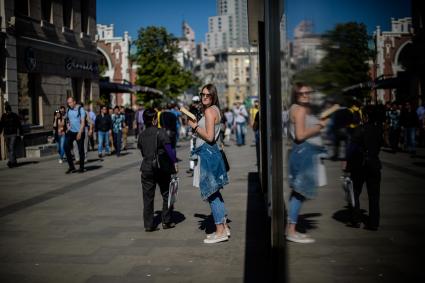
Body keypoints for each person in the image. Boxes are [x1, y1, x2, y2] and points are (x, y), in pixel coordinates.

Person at [188, 84, 230, 244]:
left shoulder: (209, 111)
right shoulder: (216, 110)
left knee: (211, 194)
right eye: (202, 94)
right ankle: (223, 227)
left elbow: (210, 136)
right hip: (212, 154)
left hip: (208, 155)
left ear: (213, 96)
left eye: (208, 95)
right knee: (215, 193)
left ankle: (220, 231)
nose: (204, 97)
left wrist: (195, 126)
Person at [287, 82, 328, 243]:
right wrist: (319, 127)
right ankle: (291, 230)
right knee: (299, 193)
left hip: (298, 153)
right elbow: (300, 135)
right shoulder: (301, 110)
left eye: (308, 92)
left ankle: (290, 228)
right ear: (296, 95)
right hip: (303, 153)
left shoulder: (293, 109)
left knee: (297, 192)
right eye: (301, 93)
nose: (306, 95)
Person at [138, 108, 178, 232]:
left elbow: (142, 151)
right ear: (155, 120)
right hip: (161, 168)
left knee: (147, 197)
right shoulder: (161, 132)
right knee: (167, 193)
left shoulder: (142, 135)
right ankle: (166, 221)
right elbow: (169, 149)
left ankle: (149, 224)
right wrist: (174, 162)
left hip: (146, 168)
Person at [346, 105, 383, 231]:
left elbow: (351, 150)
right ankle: (374, 222)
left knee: (355, 192)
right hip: (374, 164)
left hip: (360, 165)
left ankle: (355, 219)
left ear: (366, 116)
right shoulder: (379, 129)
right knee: (374, 195)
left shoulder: (359, 130)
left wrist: (348, 164)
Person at [64, 97, 86, 173]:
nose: (69, 104)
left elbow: (83, 122)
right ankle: (71, 166)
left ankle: (82, 167)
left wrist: (80, 133)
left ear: (74, 102)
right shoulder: (68, 109)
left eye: (70, 102)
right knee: (66, 147)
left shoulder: (81, 109)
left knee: (80, 150)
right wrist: (67, 127)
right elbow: (67, 119)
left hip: (79, 131)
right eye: (68, 103)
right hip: (71, 132)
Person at [0, 103, 23, 168]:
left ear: (10, 110)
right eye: (7, 110)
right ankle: (13, 161)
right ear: (6, 110)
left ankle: (12, 162)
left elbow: (19, 125)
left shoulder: (14, 115)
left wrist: (21, 133)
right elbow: (1, 125)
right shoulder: (3, 116)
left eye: (9, 110)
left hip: (13, 134)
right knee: (9, 149)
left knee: (11, 148)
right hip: (6, 134)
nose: (8, 112)